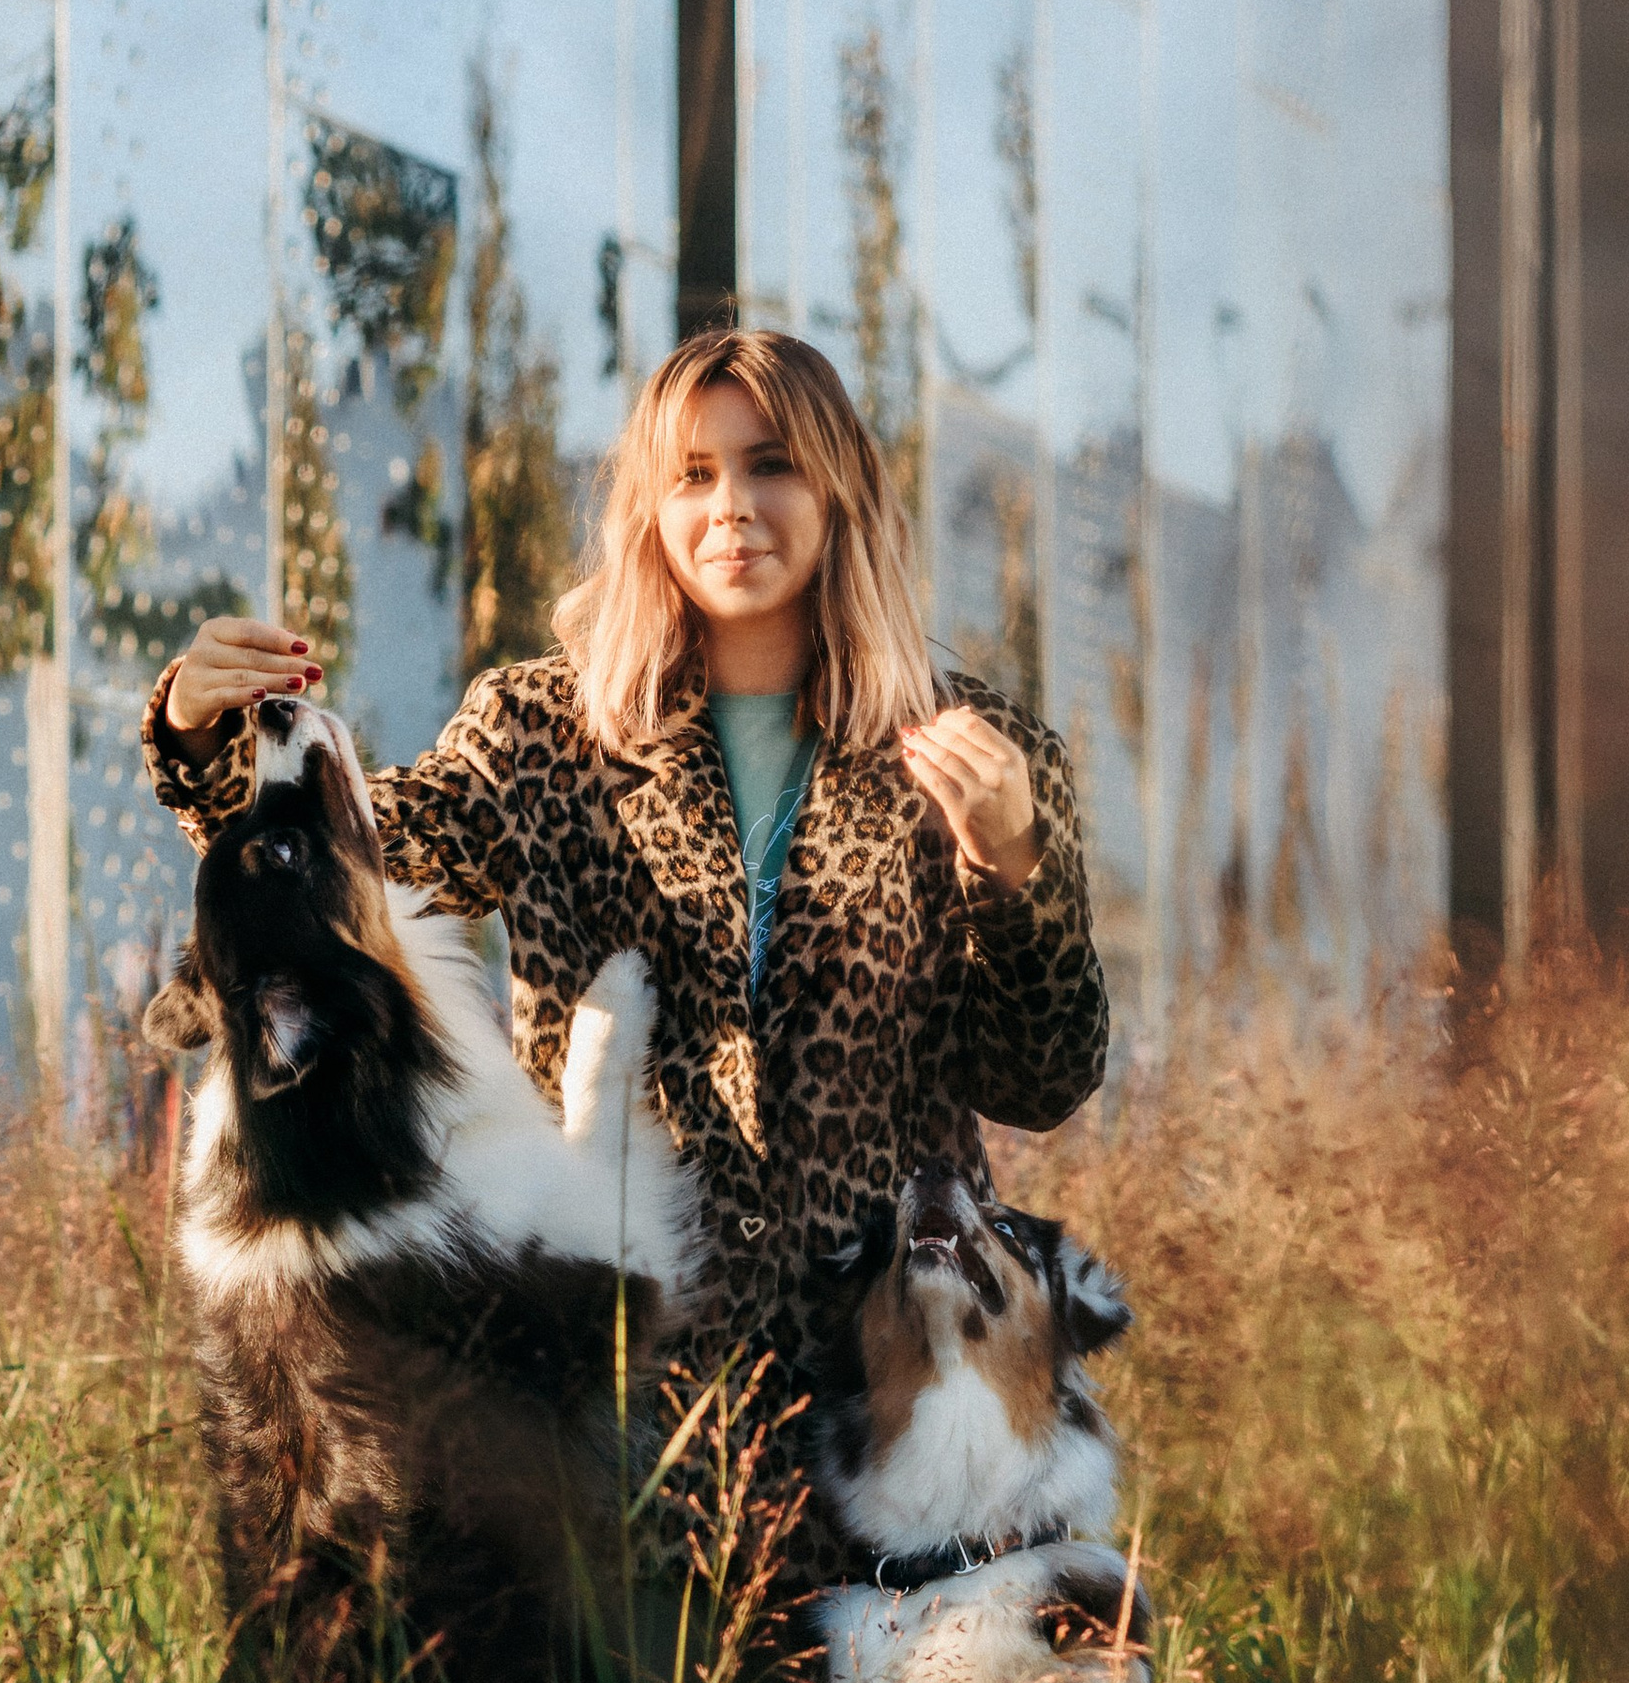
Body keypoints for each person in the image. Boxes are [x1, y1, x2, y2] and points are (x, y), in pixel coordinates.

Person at [144, 322, 1109, 1531]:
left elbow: (1044, 1076)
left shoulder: (973, 748)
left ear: (841, 485)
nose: (733, 508)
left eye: (771, 464)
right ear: (647, 507)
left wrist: (1009, 864)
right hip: (625, 1373)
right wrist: (199, 732)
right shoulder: (541, 732)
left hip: (887, 1388)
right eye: (692, 476)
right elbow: (345, 863)